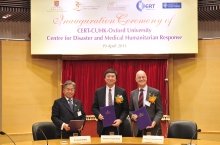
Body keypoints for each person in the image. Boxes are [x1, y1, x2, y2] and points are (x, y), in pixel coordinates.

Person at [91, 68, 129, 136]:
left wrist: (120, 120)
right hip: (103, 125)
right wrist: (98, 115)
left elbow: (125, 109)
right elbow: (94, 107)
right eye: (108, 76)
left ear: (116, 79)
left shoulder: (122, 91)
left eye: (112, 76)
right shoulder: (98, 92)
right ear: (104, 79)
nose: (110, 78)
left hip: (118, 126)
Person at [129, 70, 164, 137]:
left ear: (146, 78)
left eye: (143, 77)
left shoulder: (155, 92)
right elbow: (130, 110)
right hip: (138, 129)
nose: (141, 79)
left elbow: (160, 111)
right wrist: (132, 115)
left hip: (152, 128)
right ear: (136, 79)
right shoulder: (133, 93)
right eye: (139, 77)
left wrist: (154, 122)